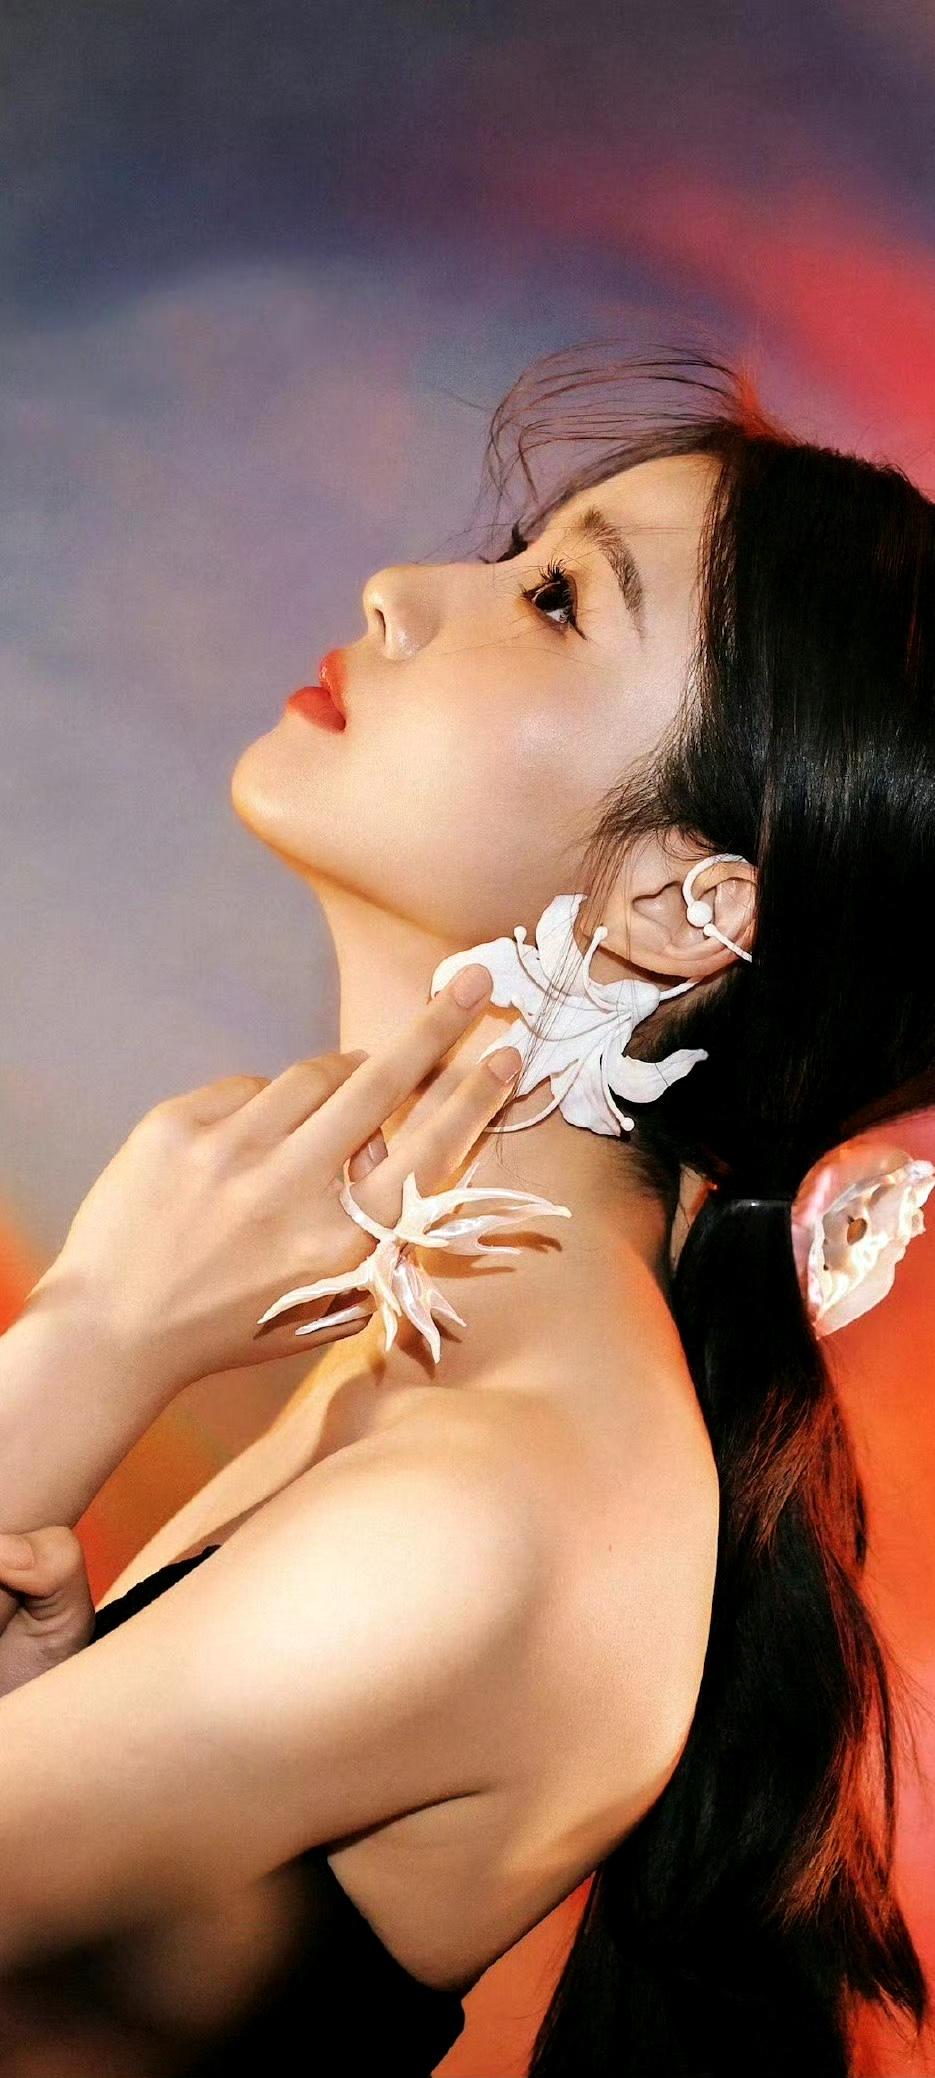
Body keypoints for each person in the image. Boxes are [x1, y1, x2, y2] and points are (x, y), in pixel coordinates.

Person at [0, 343, 933, 2077]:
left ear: (680, 907)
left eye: (559, 600)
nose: (399, 588)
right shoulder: (439, 1361)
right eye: (520, 559)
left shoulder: (485, 1506)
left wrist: (88, 1347)